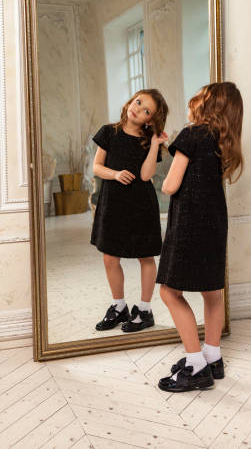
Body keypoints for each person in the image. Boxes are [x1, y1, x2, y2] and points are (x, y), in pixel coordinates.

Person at [156, 82, 243, 392]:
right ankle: (212, 356)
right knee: (211, 291)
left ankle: (195, 365)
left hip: (188, 225)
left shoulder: (192, 135)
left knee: (168, 291)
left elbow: (169, 186)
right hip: (215, 225)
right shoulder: (224, 142)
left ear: (207, 106)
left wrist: (168, 156)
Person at [91, 89, 168, 333]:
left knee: (145, 257)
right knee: (110, 257)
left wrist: (155, 143)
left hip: (141, 206)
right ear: (130, 101)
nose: (138, 109)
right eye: (138, 102)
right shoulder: (108, 132)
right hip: (113, 203)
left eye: (147, 110)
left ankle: (144, 310)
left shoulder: (148, 140)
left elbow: (146, 175)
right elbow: (96, 167)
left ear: (150, 120)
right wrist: (115, 174)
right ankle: (119, 306)